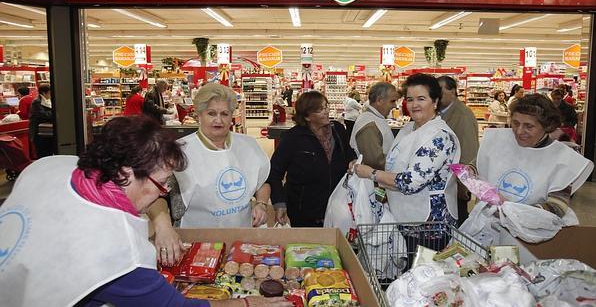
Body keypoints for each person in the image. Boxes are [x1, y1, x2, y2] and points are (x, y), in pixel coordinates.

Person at [0, 116, 290, 307]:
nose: (163, 193)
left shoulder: (48, 166)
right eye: (161, 183)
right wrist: (248, 303)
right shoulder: (119, 252)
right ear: (126, 173)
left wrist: (162, 220)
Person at [148, 83, 271, 265]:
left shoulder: (248, 145)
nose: (218, 120)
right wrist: (163, 227)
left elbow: (261, 182)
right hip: (195, 240)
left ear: (232, 117)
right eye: (211, 113)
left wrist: (261, 203)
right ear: (199, 115)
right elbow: (153, 196)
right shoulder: (179, 151)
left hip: (241, 239)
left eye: (224, 114)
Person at [353, 74, 461, 227]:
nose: (414, 104)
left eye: (421, 99)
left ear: (435, 101)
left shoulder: (440, 136)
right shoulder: (409, 128)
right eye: (410, 99)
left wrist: (370, 173)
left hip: (429, 225)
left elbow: (411, 182)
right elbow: (395, 163)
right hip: (404, 216)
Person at [475, 94, 593, 220]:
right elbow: (479, 163)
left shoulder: (563, 159)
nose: (519, 131)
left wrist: (510, 209)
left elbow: (557, 207)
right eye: (515, 123)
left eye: (529, 126)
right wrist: (469, 171)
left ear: (547, 126)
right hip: (486, 229)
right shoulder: (501, 141)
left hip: (529, 232)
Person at [267, 91, 357, 227]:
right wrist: (279, 203)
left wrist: (352, 160)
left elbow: (348, 152)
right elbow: (274, 173)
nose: (327, 111)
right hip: (303, 210)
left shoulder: (338, 130)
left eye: (326, 106)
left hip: (337, 205)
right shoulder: (293, 138)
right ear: (307, 116)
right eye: (321, 109)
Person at [435, 75, 478, 225]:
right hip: (445, 183)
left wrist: (463, 185)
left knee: (459, 220)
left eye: (440, 90)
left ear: (453, 91)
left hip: (455, 183)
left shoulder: (462, 115)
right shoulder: (442, 113)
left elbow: (469, 150)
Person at [349, 82, 398, 170]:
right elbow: (375, 162)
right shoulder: (369, 123)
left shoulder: (374, 119)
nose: (395, 105)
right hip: (374, 181)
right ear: (379, 100)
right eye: (392, 101)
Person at [28, 83, 54, 158]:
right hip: (39, 132)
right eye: (49, 93)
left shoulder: (47, 101)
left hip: (46, 131)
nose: (50, 94)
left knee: (48, 152)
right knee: (42, 152)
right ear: (44, 93)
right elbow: (44, 115)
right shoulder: (37, 102)